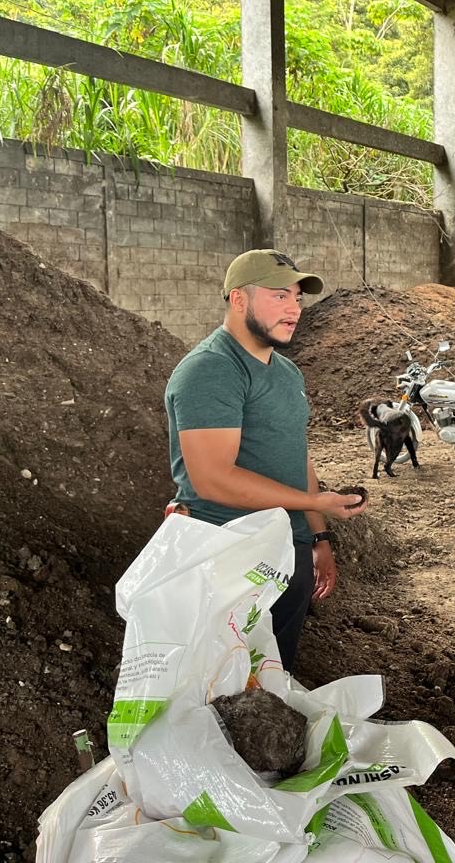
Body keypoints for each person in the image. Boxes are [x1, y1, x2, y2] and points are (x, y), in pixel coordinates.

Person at [164, 249, 367, 671]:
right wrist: (314, 503)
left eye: (297, 298)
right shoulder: (212, 369)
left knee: (271, 675)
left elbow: (296, 454)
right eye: (279, 296)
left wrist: (318, 538)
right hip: (230, 552)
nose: (295, 309)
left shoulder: (287, 372)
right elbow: (212, 479)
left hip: (288, 550)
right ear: (239, 299)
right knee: (221, 679)